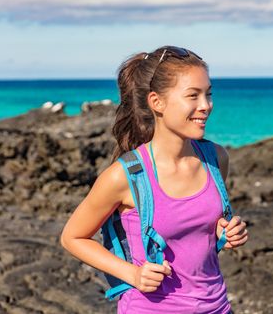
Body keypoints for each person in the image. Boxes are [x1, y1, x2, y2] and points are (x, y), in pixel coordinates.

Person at [60, 46, 248, 313]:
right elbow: (73, 237)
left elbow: (201, 227)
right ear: (156, 102)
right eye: (193, 96)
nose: (205, 106)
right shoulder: (124, 176)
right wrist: (132, 274)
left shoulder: (216, 158)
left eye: (208, 94)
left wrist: (225, 231)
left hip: (217, 306)